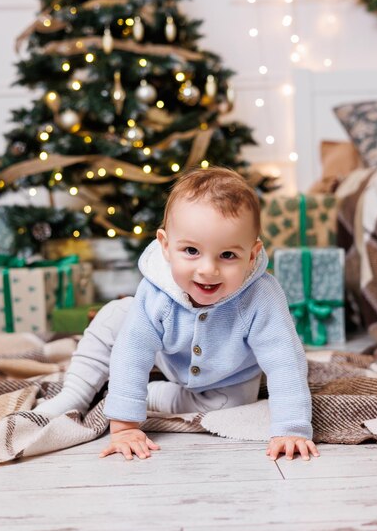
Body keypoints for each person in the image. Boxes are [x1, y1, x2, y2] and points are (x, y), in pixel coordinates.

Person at [37, 167, 319, 462]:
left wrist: (291, 428)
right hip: (168, 355)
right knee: (115, 315)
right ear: (166, 247)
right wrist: (124, 426)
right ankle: (76, 393)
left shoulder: (261, 297)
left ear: (251, 255)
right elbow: (133, 350)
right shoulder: (157, 290)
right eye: (191, 251)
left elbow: (285, 360)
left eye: (227, 255)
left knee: (232, 405)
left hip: (226, 379)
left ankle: (154, 395)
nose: (208, 269)